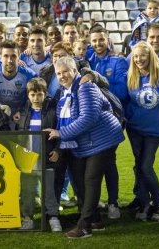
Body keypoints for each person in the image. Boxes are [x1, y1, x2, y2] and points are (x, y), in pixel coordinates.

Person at [47, 56, 124, 238]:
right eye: (59, 73)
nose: (63, 75)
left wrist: (61, 133)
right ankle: (96, 220)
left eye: (66, 71)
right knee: (79, 180)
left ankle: (84, 226)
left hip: (103, 139)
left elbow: (88, 118)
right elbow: (62, 120)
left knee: (91, 179)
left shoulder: (86, 87)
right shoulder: (63, 92)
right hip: (83, 143)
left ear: (75, 71)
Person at [125, 41, 159, 222]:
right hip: (134, 129)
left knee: (146, 166)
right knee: (139, 167)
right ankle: (144, 205)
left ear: (150, 55)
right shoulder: (130, 76)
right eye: (135, 56)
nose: (139, 59)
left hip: (154, 131)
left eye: (142, 55)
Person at [16, 77, 62, 232]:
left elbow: (59, 133)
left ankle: (53, 217)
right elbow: (19, 136)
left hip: (46, 159)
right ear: (28, 95)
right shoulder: (23, 113)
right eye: (33, 95)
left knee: (49, 191)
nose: (36, 98)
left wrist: (56, 150)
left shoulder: (52, 111)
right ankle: (28, 218)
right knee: (27, 191)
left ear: (45, 94)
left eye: (40, 94)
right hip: (28, 160)